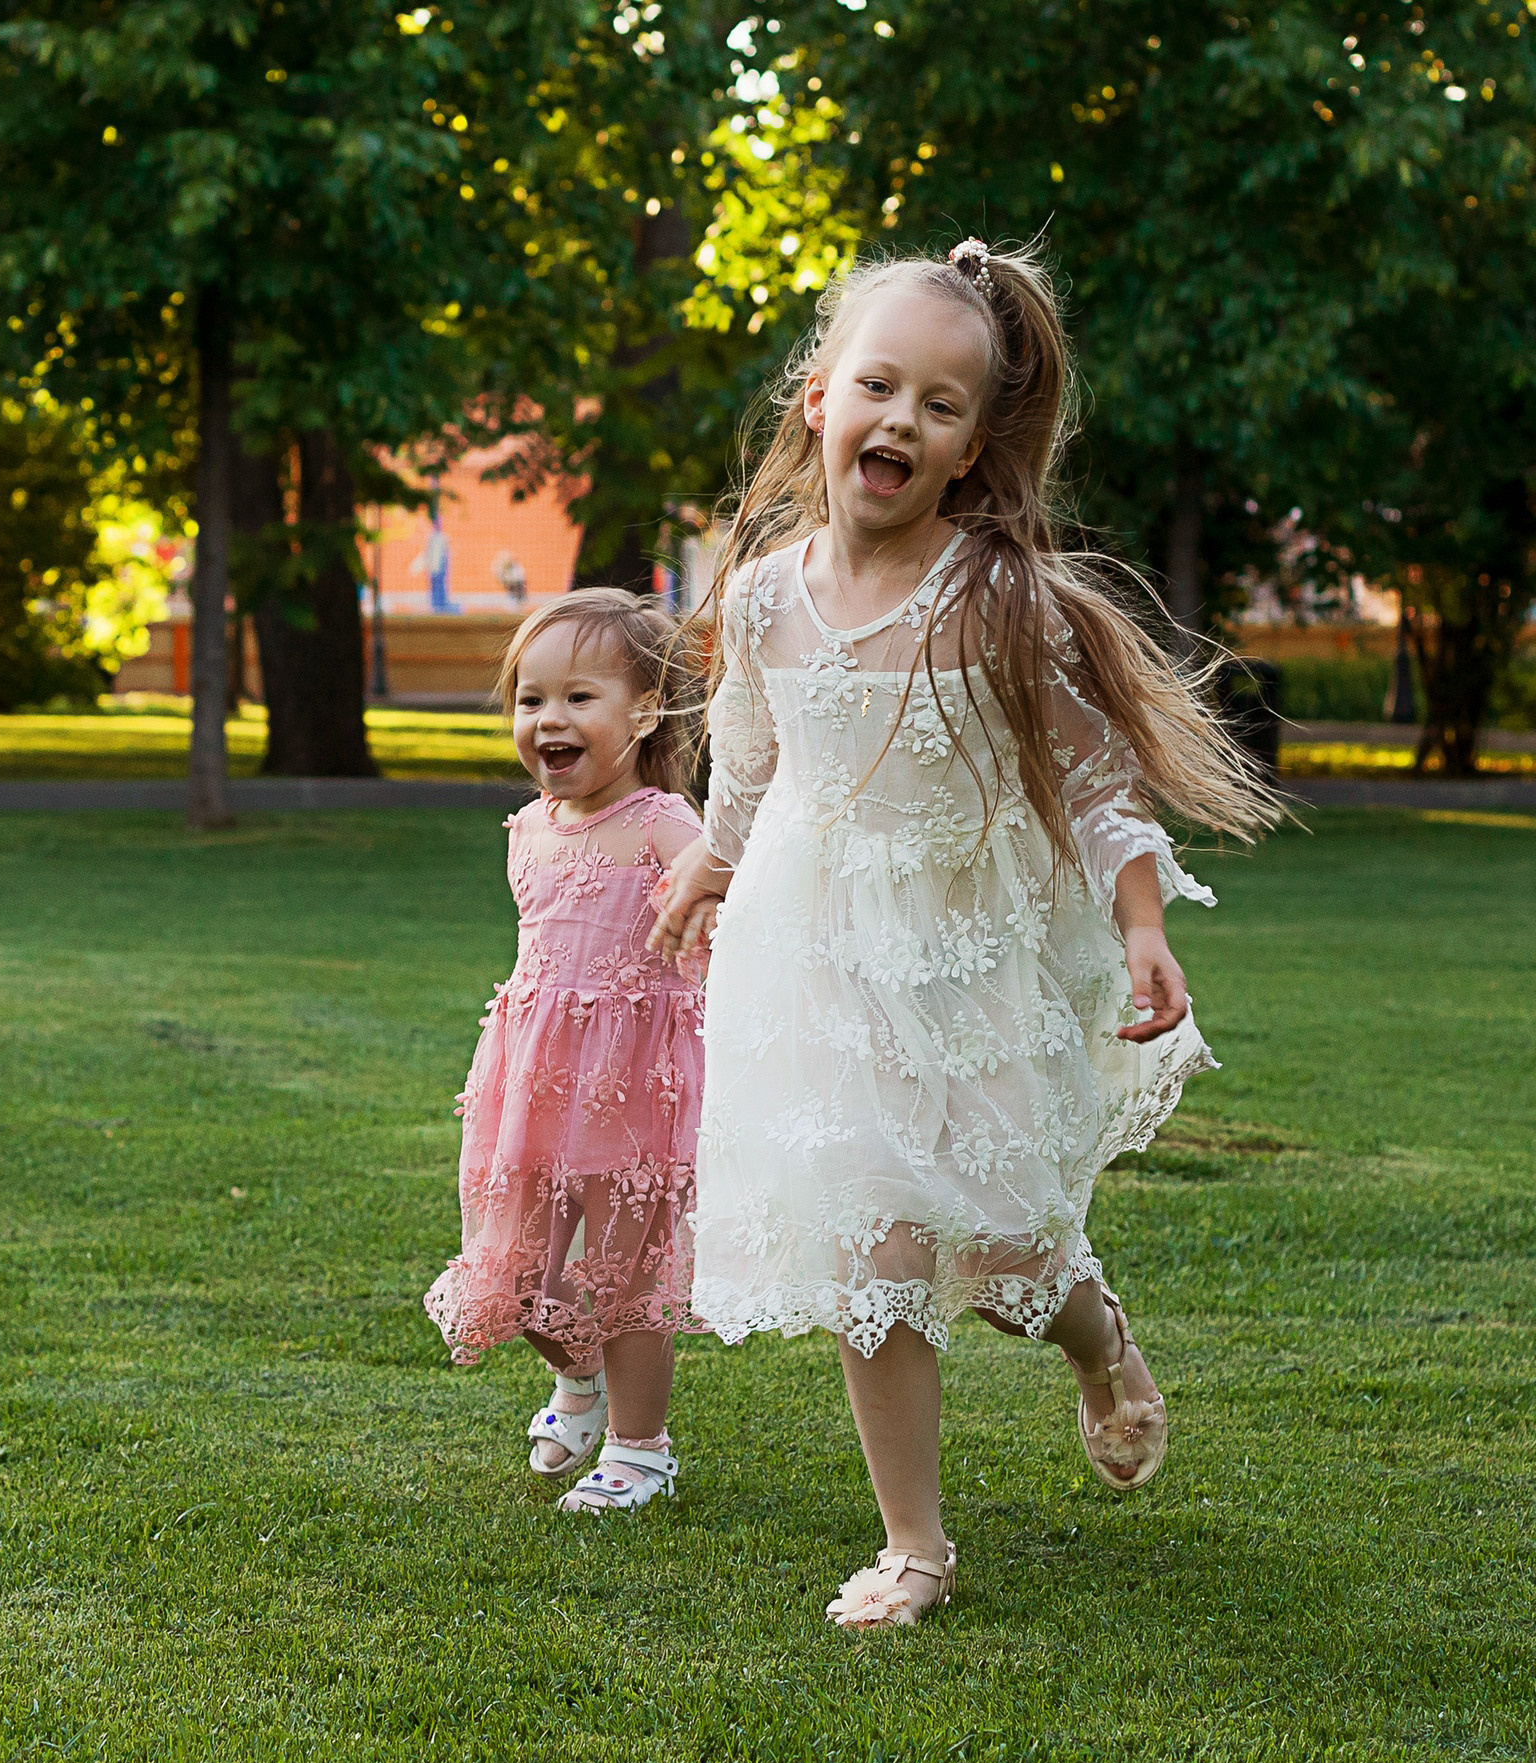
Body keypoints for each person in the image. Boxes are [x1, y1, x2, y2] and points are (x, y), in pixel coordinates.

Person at [651, 240, 1280, 1625]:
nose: (902, 420)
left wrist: (1144, 929)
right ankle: (916, 1549)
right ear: (818, 398)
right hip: (817, 959)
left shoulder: (1002, 604)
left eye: (941, 406)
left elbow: (1099, 788)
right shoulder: (760, 599)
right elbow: (749, 766)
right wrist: (709, 865)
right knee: (872, 1250)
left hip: (967, 960)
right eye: (879, 386)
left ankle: (1097, 1339)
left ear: (971, 447)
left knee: (1005, 1269)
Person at [427, 589, 708, 1512]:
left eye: (579, 697)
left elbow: (731, 909)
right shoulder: (529, 830)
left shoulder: (665, 824)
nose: (549, 718)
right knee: (525, 1278)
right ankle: (578, 1381)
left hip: (635, 1086)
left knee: (623, 1275)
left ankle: (640, 1449)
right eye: (531, 699)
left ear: (646, 713)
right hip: (538, 1084)